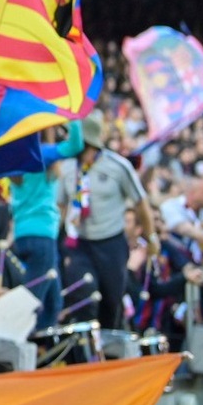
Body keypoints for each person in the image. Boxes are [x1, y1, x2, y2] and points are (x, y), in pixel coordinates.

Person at [72, 111, 156, 329]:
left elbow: (141, 203)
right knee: (84, 293)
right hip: (78, 244)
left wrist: (151, 237)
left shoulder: (118, 166)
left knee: (111, 302)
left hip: (111, 243)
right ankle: (85, 353)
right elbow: (61, 206)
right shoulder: (66, 167)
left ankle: (111, 354)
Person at [9, 120, 82, 330]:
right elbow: (75, 145)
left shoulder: (15, 158)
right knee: (31, 305)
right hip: (42, 237)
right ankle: (14, 348)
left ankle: (39, 352)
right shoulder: (42, 154)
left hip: (23, 236)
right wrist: (71, 115)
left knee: (52, 304)